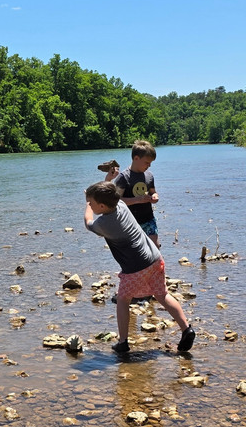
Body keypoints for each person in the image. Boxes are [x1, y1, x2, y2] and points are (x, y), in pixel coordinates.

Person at [84, 181, 196, 354]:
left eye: (91, 202)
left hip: (135, 268)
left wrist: (87, 206)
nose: (90, 204)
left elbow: (88, 222)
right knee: (162, 295)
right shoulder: (119, 204)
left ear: (101, 205)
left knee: (122, 300)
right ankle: (186, 329)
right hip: (155, 258)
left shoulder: (105, 224)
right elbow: (107, 193)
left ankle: (123, 342)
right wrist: (102, 185)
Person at [113, 140, 160, 247]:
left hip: (148, 218)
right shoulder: (123, 177)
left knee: (155, 246)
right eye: (147, 163)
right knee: (135, 251)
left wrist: (155, 197)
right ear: (136, 158)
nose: (149, 166)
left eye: (150, 163)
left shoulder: (149, 176)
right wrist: (137, 200)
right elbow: (115, 201)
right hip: (129, 221)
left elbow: (153, 192)